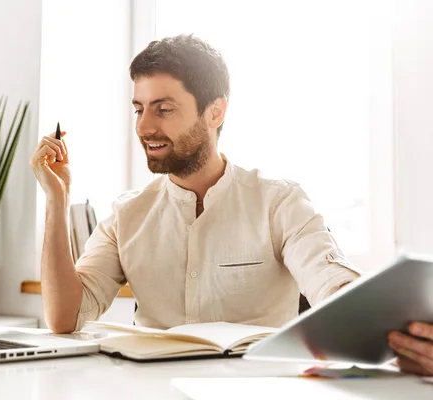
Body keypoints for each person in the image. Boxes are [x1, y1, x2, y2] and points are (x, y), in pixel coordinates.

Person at [30, 34, 360, 335]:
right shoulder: (126, 217)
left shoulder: (279, 203)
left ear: (214, 113)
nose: (145, 127)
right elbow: (65, 318)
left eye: (164, 109)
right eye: (139, 110)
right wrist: (56, 198)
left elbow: (333, 285)